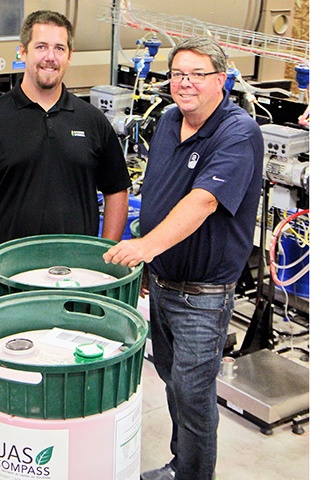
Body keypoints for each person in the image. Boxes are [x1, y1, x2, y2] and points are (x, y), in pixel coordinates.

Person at [103, 36, 264, 480]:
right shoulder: (170, 120)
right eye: (177, 74)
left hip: (203, 294)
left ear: (222, 80)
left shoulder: (237, 132)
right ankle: (181, 465)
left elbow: (204, 201)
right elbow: (159, 192)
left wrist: (143, 246)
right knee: (174, 385)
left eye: (198, 74)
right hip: (163, 285)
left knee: (193, 394)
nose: (185, 83)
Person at [0, 10, 131, 264]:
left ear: (69, 57)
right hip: (7, 274)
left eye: (59, 48)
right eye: (41, 46)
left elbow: (117, 191)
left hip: (76, 273)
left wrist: (103, 259)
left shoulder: (91, 121)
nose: (50, 57)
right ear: (22, 52)